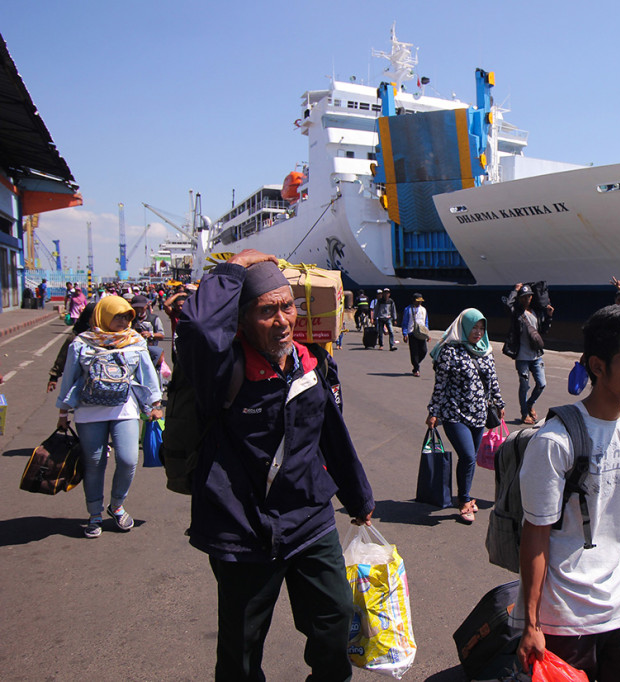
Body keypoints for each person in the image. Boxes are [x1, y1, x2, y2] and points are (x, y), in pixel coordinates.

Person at [177, 249, 375, 680]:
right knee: (242, 650)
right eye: (267, 311)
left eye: (288, 306)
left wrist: (357, 495)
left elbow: (331, 435)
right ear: (243, 319)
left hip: (309, 517)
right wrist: (235, 267)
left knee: (335, 618)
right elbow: (197, 326)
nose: (283, 319)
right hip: (242, 527)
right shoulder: (222, 371)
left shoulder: (311, 362)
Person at [513, 305, 620, 681]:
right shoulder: (554, 441)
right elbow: (535, 535)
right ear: (597, 366)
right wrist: (531, 624)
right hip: (564, 614)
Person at [55, 296, 162, 538]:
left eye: (127, 316)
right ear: (103, 316)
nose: (124, 321)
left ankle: (116, 505)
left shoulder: (135, 341)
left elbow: (147, 374)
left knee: (127, 459)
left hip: (125, 409)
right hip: (88, 411)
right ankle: (94, 514)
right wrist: (63, 412)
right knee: (94, 464)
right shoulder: (81, 343)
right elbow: (69, 377)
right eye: (119, 316)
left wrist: (155, 404)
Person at [426, 308, 505, 524]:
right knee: (469, 456)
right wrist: (433, 411)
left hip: (479, 414)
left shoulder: (485, 350)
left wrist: (499, 402)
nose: (478, 332)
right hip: (454, 413)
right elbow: (440, 385)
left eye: (482, 328)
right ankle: (464, 501)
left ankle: (466, 494)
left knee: (469, 459)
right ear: (464, 327)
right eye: (474, 327)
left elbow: (493, 380)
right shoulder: (449, 352)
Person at [511, 284, 546, 425]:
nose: (527, 299)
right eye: (524, 297)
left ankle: (530, 404)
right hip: (522, 357)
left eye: (529, 296)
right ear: (519, 299)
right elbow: (509, 304)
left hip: (536, 356)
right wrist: (515, 290)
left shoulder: (536, 312)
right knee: (524, 385)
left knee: (542, 384)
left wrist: (549, 316)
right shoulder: (517, 313)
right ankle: (524, 413)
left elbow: (542, 330)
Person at [47, 302, 98, 392]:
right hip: (82, 384)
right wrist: (54, 376)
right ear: (87, 318)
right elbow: (62, 356)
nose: (98, 320)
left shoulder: (113, 336)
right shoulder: (77, 337)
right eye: (94, 317)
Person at [401, 292, 430, 376]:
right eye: (418, 301)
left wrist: (428, 334)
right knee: (414, 352)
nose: (419, 302)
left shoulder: (424, 309)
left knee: (424, 351)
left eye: (420, 301)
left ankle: (416, 363)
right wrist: (405, 333)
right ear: (414, 301)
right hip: (412, 332)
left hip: (422, 333)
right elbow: (405, 322)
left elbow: (426, 322)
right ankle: (416, 369)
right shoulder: (408, 309)